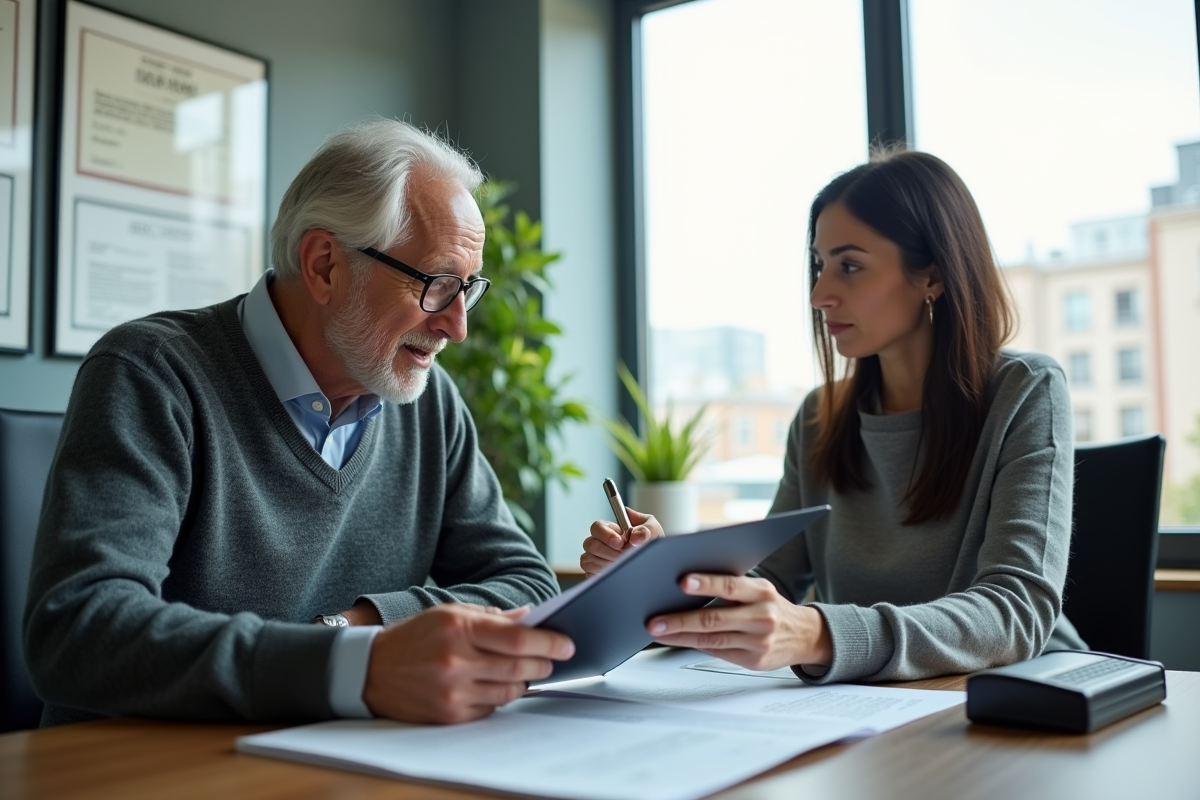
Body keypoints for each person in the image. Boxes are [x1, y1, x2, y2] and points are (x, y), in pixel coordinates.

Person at [24, 119, 574, 727]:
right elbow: (79, 628)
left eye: (467, 290)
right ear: (325, 265)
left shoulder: (430, 402)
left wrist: (363, 624)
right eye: (438, 285)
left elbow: (526, 584)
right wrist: (355, 666)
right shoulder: (152, 372)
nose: (456, 326)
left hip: (329, 761)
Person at [580, 149, 1085, 683]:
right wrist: (663, 579)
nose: (820, 294)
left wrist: (818, 634)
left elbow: (1016, 612)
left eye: (850, 266)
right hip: (872, 710)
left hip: (1025, 699)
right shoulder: (820, 416)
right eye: (820, 266)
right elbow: (771, 582)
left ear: (932, 275)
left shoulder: (1026, 391)